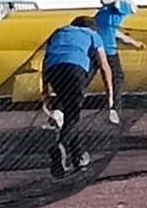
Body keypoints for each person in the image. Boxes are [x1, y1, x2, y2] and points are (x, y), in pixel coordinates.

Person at [41, 14, 114, 176]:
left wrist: (45, 91)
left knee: (69, 113)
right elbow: (105, 66)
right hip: (76, 70)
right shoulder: (93, 35)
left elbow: (45, 60)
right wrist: (110, 96)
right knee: (73, 116)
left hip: (54, 71)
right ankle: (60, 146)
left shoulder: (58, 32)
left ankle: (78, 156)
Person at [92, 0, 145, 125]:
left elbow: (114, 31)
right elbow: (133, 8)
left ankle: (60, 110)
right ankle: (114, 109)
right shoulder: (121, 7)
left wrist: (133, 42)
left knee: (85, 78)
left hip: (92, 46)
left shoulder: (104, 12)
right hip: (107, 50)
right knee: (117, 78)